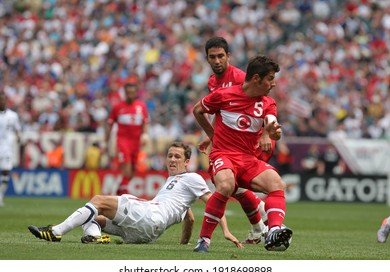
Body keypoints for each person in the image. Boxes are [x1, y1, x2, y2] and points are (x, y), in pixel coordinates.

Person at [28, 142, 242, 247]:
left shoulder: (192, 178)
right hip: (145, 234)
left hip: (151, 216)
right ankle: (94, 237)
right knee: (94, 216)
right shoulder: (173, 183)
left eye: (177, 156)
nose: (172, 160)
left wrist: (225, 230)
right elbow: (190, 217)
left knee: (98, 200)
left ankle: (56, 231)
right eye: (169, 156)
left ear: (187, 162)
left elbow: (215, 203)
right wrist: (183, 245)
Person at [192, 54, 293, 252]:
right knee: (226, 185)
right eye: (270, 78)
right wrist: (212, 135)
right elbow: (197, 110)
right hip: (223, 155)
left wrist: (269, 133)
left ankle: (272, 230)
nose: (273, 84)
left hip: (247, 159)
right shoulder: (224, 95)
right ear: (256, 78)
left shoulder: (267, 103)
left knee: (277, 184)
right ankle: (204, 240)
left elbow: (273, 126)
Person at [199, 36, 274, 244]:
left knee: (231, 184)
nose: (217, 61)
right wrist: (210, 136)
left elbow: (265, 104)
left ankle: (261, 219)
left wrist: (266, 133)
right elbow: (220, 112)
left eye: (220, 56)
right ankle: (259, 225)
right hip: (230, 141)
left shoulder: (241, 78)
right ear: (207, 59)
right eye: (212, 57)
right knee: (230, 185)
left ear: (228, 56)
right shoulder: (213, 82)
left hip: (251, 141)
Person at [105, 77, 149, 195]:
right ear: (125, 93)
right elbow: (109, 124)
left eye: (132, 93)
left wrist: (145, 134)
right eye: (128, 93)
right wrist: (106, 141)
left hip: (136, 141)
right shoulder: (118, 107)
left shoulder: (141, 106)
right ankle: (125, 196)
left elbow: (145, 122)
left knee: (133, 171)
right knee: (127, 166)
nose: (130, 95)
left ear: (136, 93)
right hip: (123, 141)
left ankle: (119, 191)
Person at [0, 92, 21, 207]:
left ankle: (0, 196)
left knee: (5, 172)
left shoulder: (12, 116)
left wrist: (18, 137)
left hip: (6, 149)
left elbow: (17, 129)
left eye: (3, 100)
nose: (2, 102)